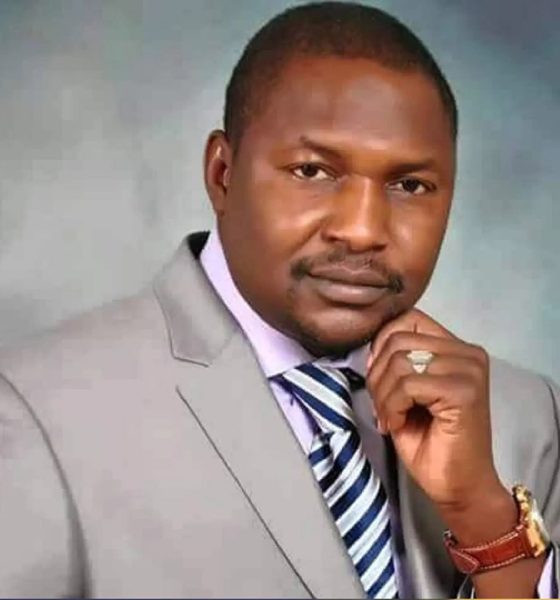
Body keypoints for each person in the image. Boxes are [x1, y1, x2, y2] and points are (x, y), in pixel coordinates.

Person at [1, 2, 558, 598]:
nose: (363, 229)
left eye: (409, 184)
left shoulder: (528, 416)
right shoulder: (36, 412)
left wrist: (484, 519)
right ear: (222, 173)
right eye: (313, 172)